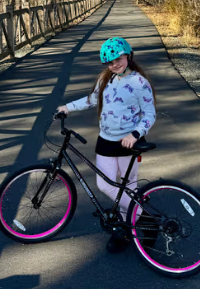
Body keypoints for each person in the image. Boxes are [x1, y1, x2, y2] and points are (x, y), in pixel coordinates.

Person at [56, 37, 156, 253]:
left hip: (130, 142)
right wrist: (68, 107)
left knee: (128, 186)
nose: (114, 65)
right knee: (105, 185)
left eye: (118, 59)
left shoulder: (140, 83)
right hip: (106, 141)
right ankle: (143, 218)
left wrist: (135, 134)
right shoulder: (106, 80)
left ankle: (127, 229)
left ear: (128, 56)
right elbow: (91, 100)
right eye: (110, 62)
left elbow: (149, 114)